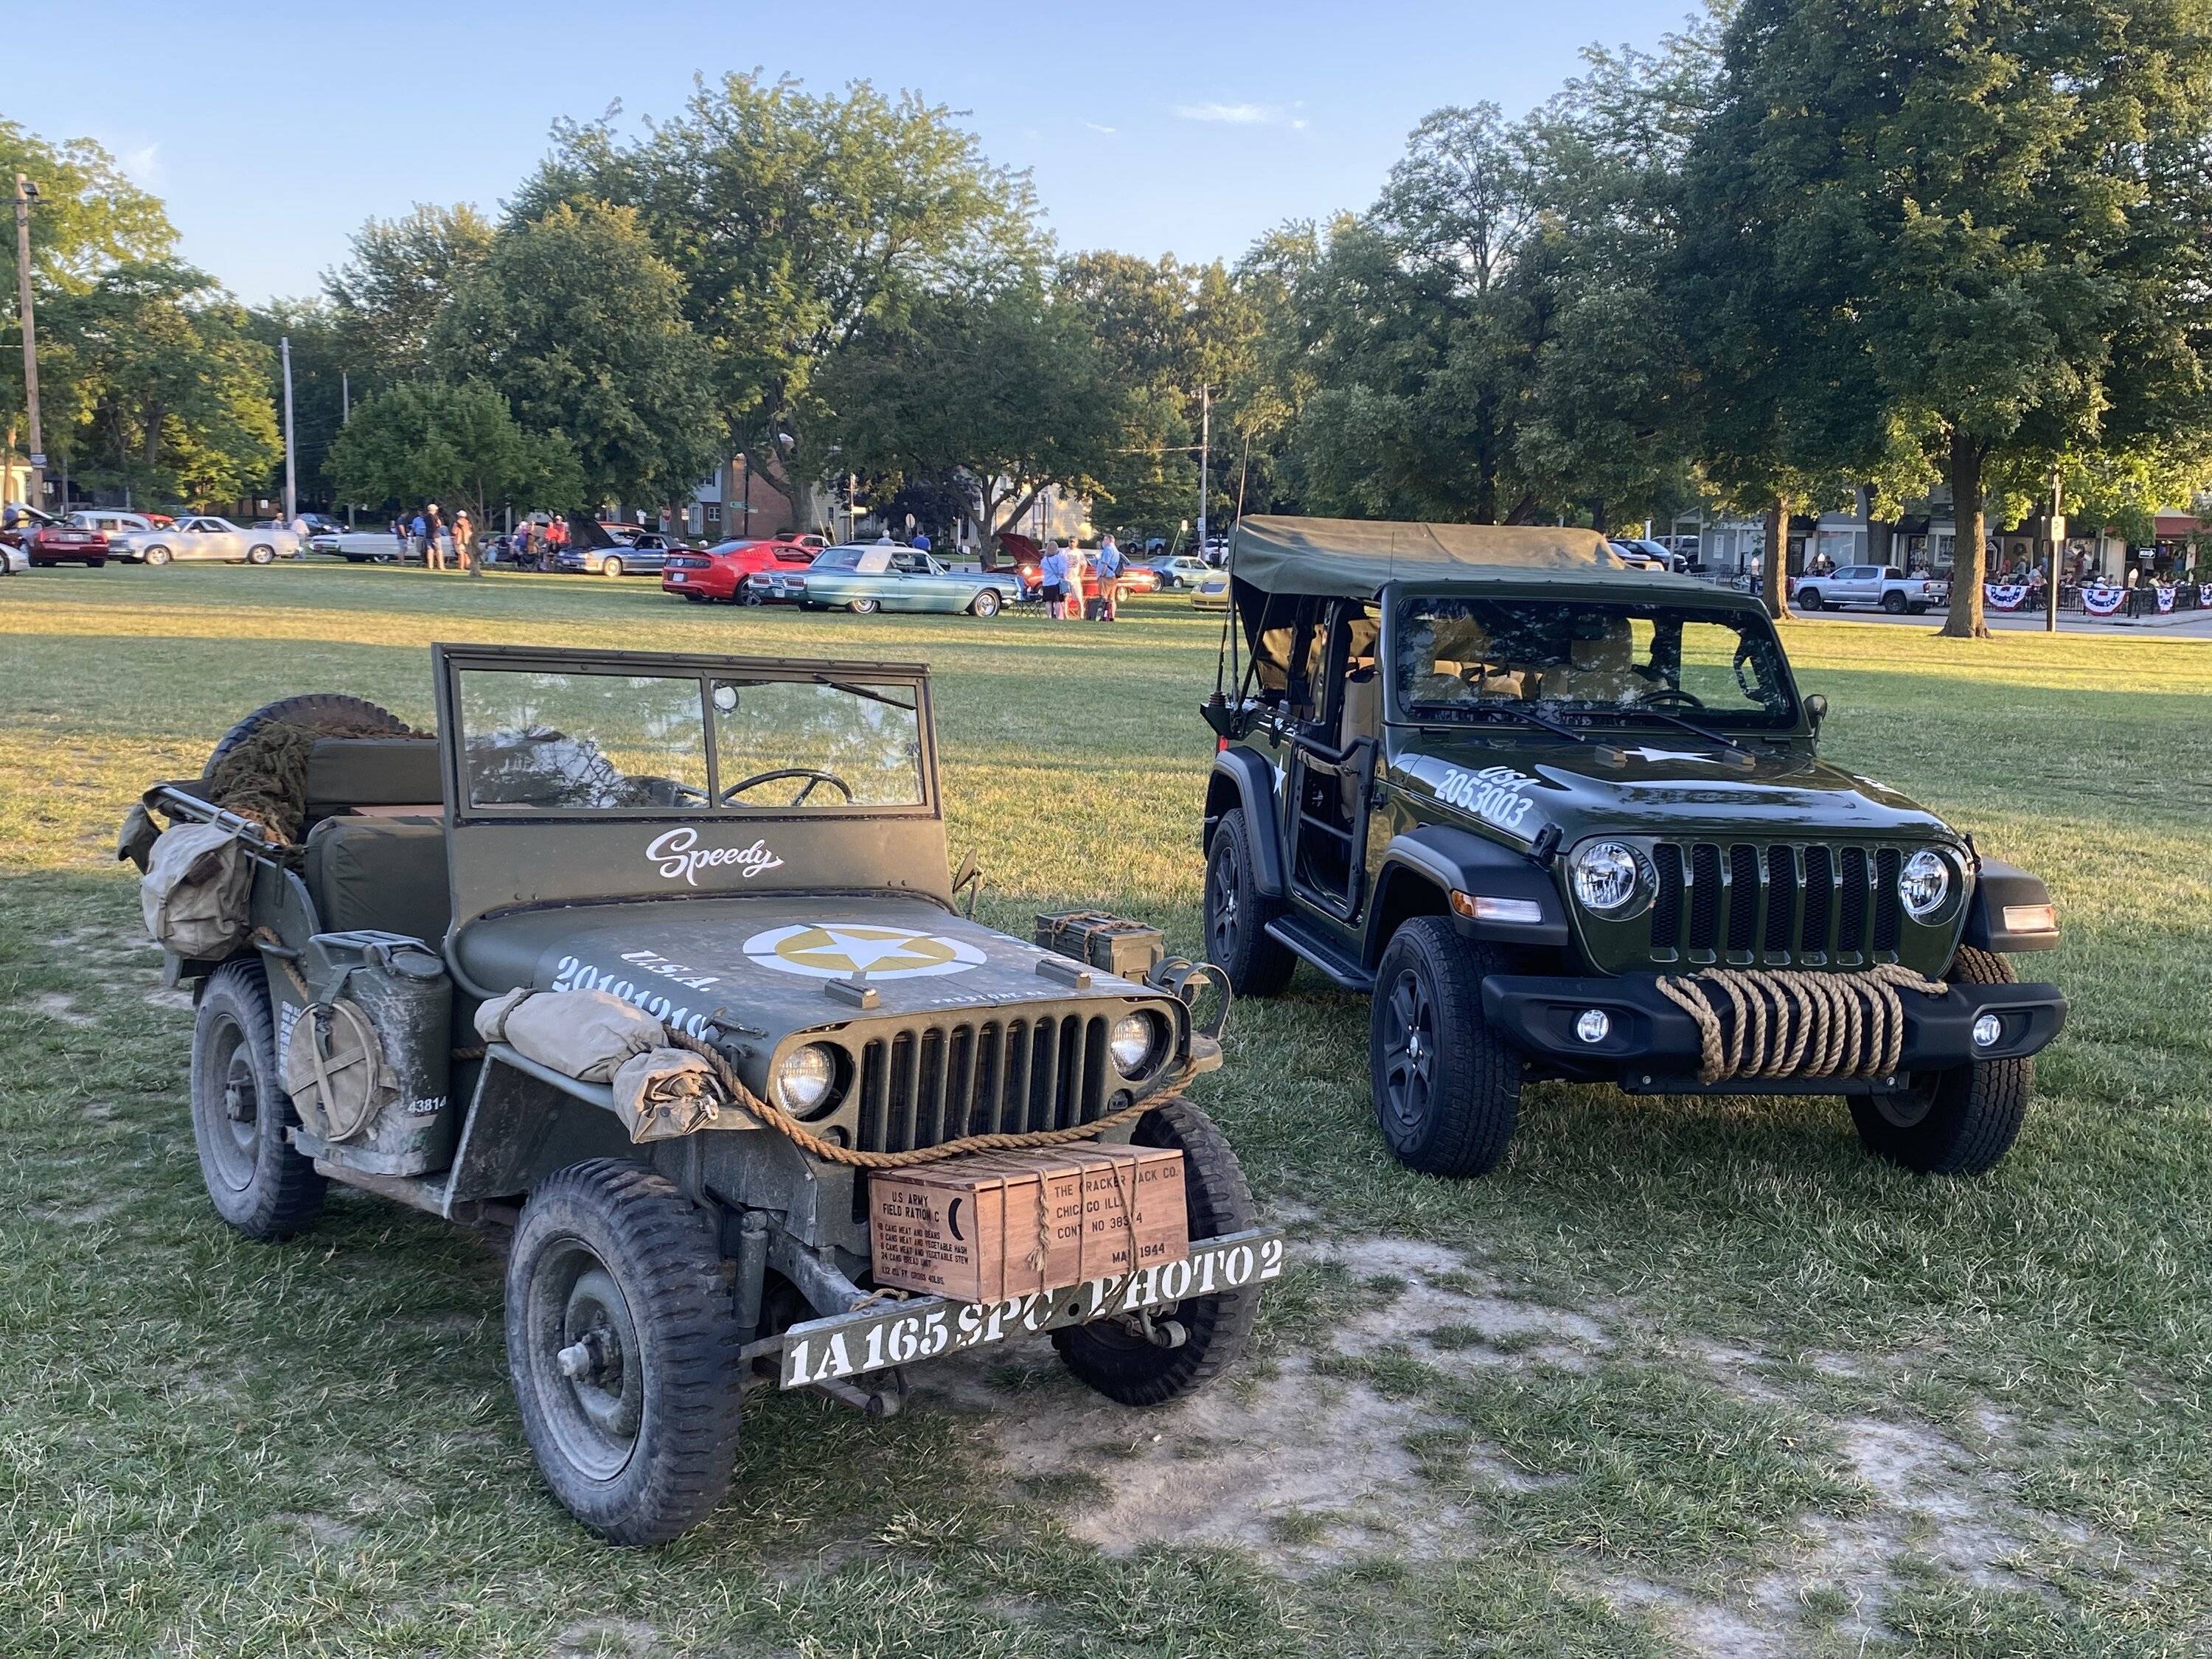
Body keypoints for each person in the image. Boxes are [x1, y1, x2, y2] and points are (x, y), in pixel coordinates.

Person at [1093, 534, 1126, 622]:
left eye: (1104, 540)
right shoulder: (1116, 550)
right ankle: (1111, 616)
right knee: (1112, 598)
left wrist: (1101, 574)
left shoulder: (1108, 549)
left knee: (1103, 597)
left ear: (1108, 540)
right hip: (1113, 576)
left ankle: (1104, 616)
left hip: (1107, 576)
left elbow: (1105, 564)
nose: (1103, 542)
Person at [1039, 539, 1069, 619]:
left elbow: (1042, 569)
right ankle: (1059, 617)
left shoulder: (1044, 559)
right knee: (1057, 601)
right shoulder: (1057, 558)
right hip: (1055, 582)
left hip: (1046, 582)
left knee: (1048, 601)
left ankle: (1049, 616)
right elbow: (1062, 569)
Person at [423, 504, 447, 571]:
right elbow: (439, 524)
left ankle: (430, 566)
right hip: (435, 535)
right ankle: (441, 566)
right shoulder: (435, 517)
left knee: (430, 550)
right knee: (439, 550)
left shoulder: (425, 517)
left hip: (428, 534)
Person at [453, 509, 478, 576]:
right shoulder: (468, 522)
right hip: (467, 540)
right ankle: (467, 565)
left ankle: (461, 566)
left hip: (459, 539)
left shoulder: (457, 522)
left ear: (459, 516)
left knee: (461, 553)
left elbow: (454, 531)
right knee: (466, 553)